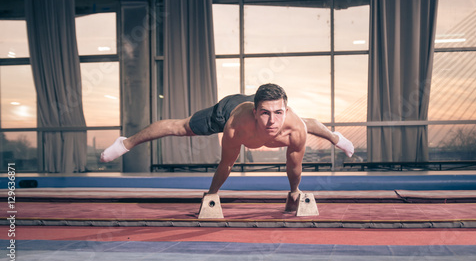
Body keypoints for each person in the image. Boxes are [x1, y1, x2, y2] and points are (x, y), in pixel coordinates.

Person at [100, 83, 354, 210]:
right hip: (228, 109)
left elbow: (294, 164)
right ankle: (126, 142)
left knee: (307, 124)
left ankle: (336, 137)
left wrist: (294, 192)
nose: (272, 120)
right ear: (255, 112)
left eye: (278, 112)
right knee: (180, 128)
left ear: (285, 110)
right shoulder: (234, 125)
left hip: (285, 120)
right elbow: (227, 164)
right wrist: (211, 194)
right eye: (265, 113)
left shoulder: (294, 126)